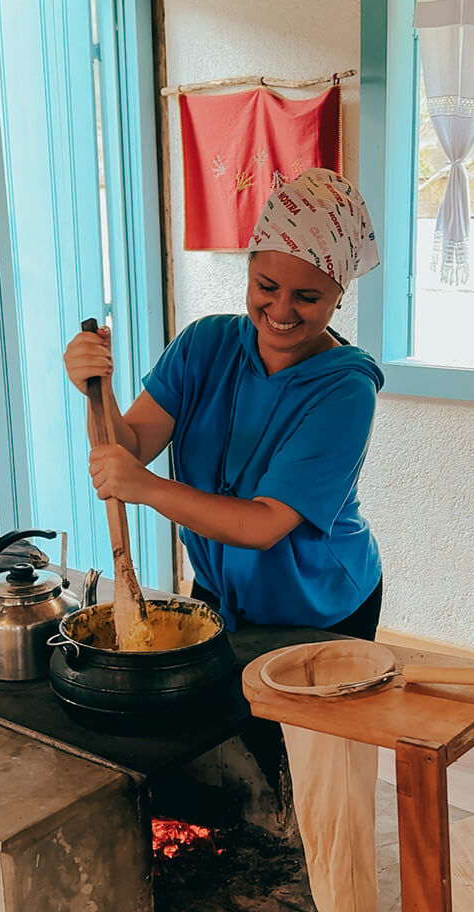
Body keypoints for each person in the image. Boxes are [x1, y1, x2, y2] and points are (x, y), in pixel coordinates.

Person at [64, 168, 384, 643]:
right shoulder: (204, 345)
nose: (280, 310)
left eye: (307, 296)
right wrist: (97, 385)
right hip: (220, 590)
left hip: (318, 606)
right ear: (249, 270)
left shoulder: (345, 390)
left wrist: (146, 488)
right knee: (224, 714)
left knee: (288, 717)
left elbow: (266, 524)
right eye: (266, 286)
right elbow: (129, 446)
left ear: (340, 294)